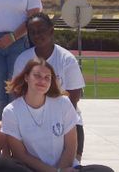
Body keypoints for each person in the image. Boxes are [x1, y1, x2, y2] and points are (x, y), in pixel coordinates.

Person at [0, 58, 112, 172]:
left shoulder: (63, 103)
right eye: (37, 76)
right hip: (33, 169)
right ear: (26, 77)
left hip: (64, 168)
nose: (42, 81)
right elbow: (20, 155)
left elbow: (70, 147)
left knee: (104, 170)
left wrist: (60, 170)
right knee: (2, 165)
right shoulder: (11, 111)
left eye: (47, 77)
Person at [13, 13, 86, 161]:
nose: (37, 35)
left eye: (41, 30)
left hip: (64, 120)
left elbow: (74, 97)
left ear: (51, 31)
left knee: (72, 165)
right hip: (32, 117)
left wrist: (53, 117)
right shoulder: (23, 59)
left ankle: (75, 156)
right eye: (32, 32)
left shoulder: (67, 59)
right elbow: (18, 92)